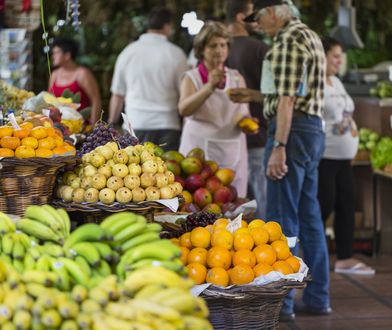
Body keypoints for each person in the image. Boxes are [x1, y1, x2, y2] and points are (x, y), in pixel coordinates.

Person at [231, 0, 331, 319]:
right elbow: (292, 92)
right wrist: (256, 97)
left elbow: (288, 99)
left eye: (260, 17)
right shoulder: (309, 35)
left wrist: (279, 146)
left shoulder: (287, 40)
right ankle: (318, 298)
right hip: (311, 130)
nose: (258, 24)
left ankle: (281, 304)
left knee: (281, 219)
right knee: (310, 216)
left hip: (292, 132)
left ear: (274, 11)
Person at [318, 37, 375, 276]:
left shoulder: (337, 82)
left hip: (344, 158)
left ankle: (344, 258)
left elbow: (345, 114)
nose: (339, 60)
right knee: (324, 206)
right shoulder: (315, 84)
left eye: (340, 56)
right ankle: (314, 257)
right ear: (321, 56)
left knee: (347, 204)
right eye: (335, 56)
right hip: (325, 157)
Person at [178, 21, 252, 197]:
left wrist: (247, 123)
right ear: (202, 49)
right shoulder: (192, 78)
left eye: (223, 45)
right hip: (198, 154)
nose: (219, 50)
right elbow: (183, 109)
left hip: (233, 153)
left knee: (233, 206)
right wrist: (209, 87)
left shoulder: (236, 77)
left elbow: (243, 113)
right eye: (213, 46)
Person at [108, 7, 188, 151]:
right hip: (168, 124)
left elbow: (118, 94)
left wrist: (112, 123)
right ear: (167, 26)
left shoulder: (128, 52)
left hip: (135, 123)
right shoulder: (177, 54)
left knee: (134, 172)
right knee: (168, 170)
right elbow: (185, 93)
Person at [226, 0, 269, 218]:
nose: (258, 21)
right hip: (256, 136)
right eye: (253, 15)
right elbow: (275, 95)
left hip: (224, 140)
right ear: (241, 17)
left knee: (228, 200)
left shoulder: (211, 50)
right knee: (263, 199)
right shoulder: (259, 49)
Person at [49, 37, 102, 126]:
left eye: (56, 53)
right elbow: (49, 100)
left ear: (67, 55)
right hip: (59, 127)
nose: (53, 56)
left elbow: (96, 100)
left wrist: (93, 127)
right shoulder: (54, 74)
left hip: (82, 127)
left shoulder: (82, 73)